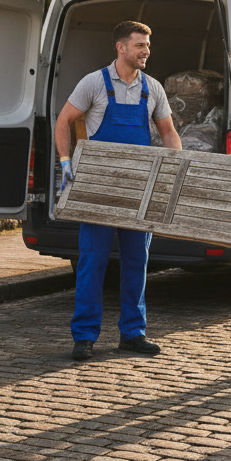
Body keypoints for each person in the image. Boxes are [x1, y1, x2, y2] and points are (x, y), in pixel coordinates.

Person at [54, 20, 182, 362]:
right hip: (98, 188)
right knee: (92, 262)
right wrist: (66, 161)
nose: (146, 51)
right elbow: (64, 120)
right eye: (140, 45)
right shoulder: (94, 83)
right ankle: (84, 336)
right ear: (121, 48)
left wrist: (174, 172)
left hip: (139, 188)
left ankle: (133, 333)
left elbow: (168, 133)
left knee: (137, 261)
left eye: (147, 46)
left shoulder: (152, 88)